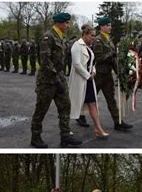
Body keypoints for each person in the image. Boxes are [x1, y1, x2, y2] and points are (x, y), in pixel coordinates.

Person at [30, 13, 82, 148]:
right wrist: (56, 79)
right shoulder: (48, 37)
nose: (68, 25)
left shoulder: (60, 36)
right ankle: (35, 137)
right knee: (41, 109)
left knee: (65, 106)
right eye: (66, 23)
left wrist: (60, 79)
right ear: (59, 23)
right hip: (47, 81)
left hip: (59, 78)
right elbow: (45, 61)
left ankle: (65, 136)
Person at [69, 24, 109, 138]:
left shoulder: (88, 47)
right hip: (80, 79)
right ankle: (65, 129)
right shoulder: (77, 45)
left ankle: (98, 129)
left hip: (88, 80)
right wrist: (87, 75)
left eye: (94, 36)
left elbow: (91, 62)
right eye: (92, 35)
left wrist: (94, 70)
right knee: (72, 104)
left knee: (92, 104)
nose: (93, 38)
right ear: (85, 34)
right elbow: (76, 63)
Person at [93, 17, 132, 131]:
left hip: (107, 76)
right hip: (98, 75)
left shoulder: (109, 40)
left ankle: (117, 122)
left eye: (110, 25)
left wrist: (118, 73)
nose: (110, 27)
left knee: (111, 99)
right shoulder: (98, 40)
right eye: (108, 25)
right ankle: (80, 115)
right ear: (102, 27)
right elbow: (99, 58)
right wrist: (111, 54)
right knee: (90, 98)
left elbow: (113, 59)